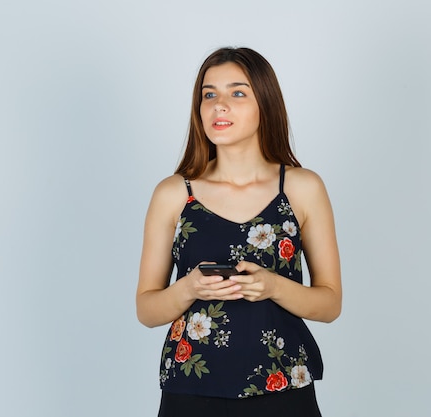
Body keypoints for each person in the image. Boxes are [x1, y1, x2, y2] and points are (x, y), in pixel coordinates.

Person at [136, 47, 341, 417]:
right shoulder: (173, 193)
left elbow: (330, 304)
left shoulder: (302, 187)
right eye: (209, 94)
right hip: (191, 390)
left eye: (237, 92)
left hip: (283, 386)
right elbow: (146, 309)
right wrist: (189, 288)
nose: (220, 105)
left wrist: (273, 286)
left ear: (265, 102)